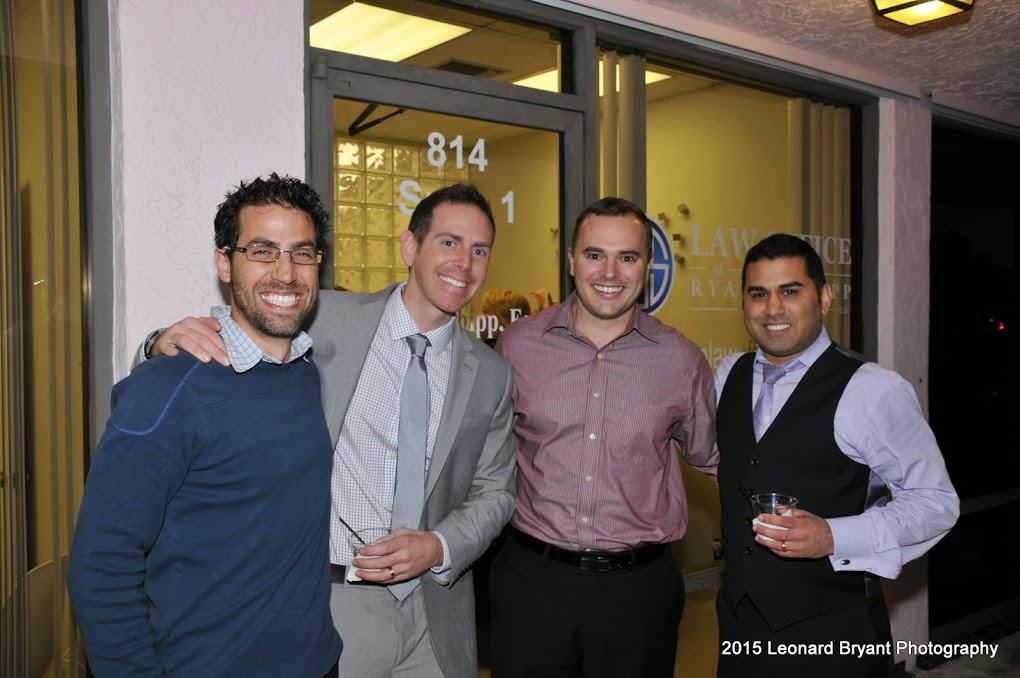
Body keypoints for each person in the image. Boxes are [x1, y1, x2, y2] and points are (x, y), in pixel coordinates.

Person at [140, 183, 515, 678]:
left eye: (479, 250)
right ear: (410, 247)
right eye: (449, 242)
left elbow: (496, 491)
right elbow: (230, 335)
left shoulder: (491, 372)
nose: (464, 263)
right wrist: (155, 343)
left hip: (435, 617)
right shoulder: (322, 317)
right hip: (332, 604)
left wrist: (440, 546)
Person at [66, 174, 342, 677]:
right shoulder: (167, 388)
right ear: (224, 262)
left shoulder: (305, 371)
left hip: (317, 663)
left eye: (302, 253)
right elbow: (100, 567)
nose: (286, 273)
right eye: (262, 251)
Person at [489, 197, 719, 678]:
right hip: (533, 586)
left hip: (638, 595)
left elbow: (714, 456)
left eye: (627, 257)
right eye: (595, 255)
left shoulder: (680, 360)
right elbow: (481, 455)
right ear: (571, 259)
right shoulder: (518, 346)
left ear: (647, 267)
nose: (610, 272)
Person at [714, 233, 960, 677]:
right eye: (759, 294)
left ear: (825, 298)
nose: (773, 308)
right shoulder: (728, 375)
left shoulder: (872, 389)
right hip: (740, 627)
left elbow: (935, 503)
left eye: (791, 291)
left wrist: (833, 536)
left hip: (834, 633)